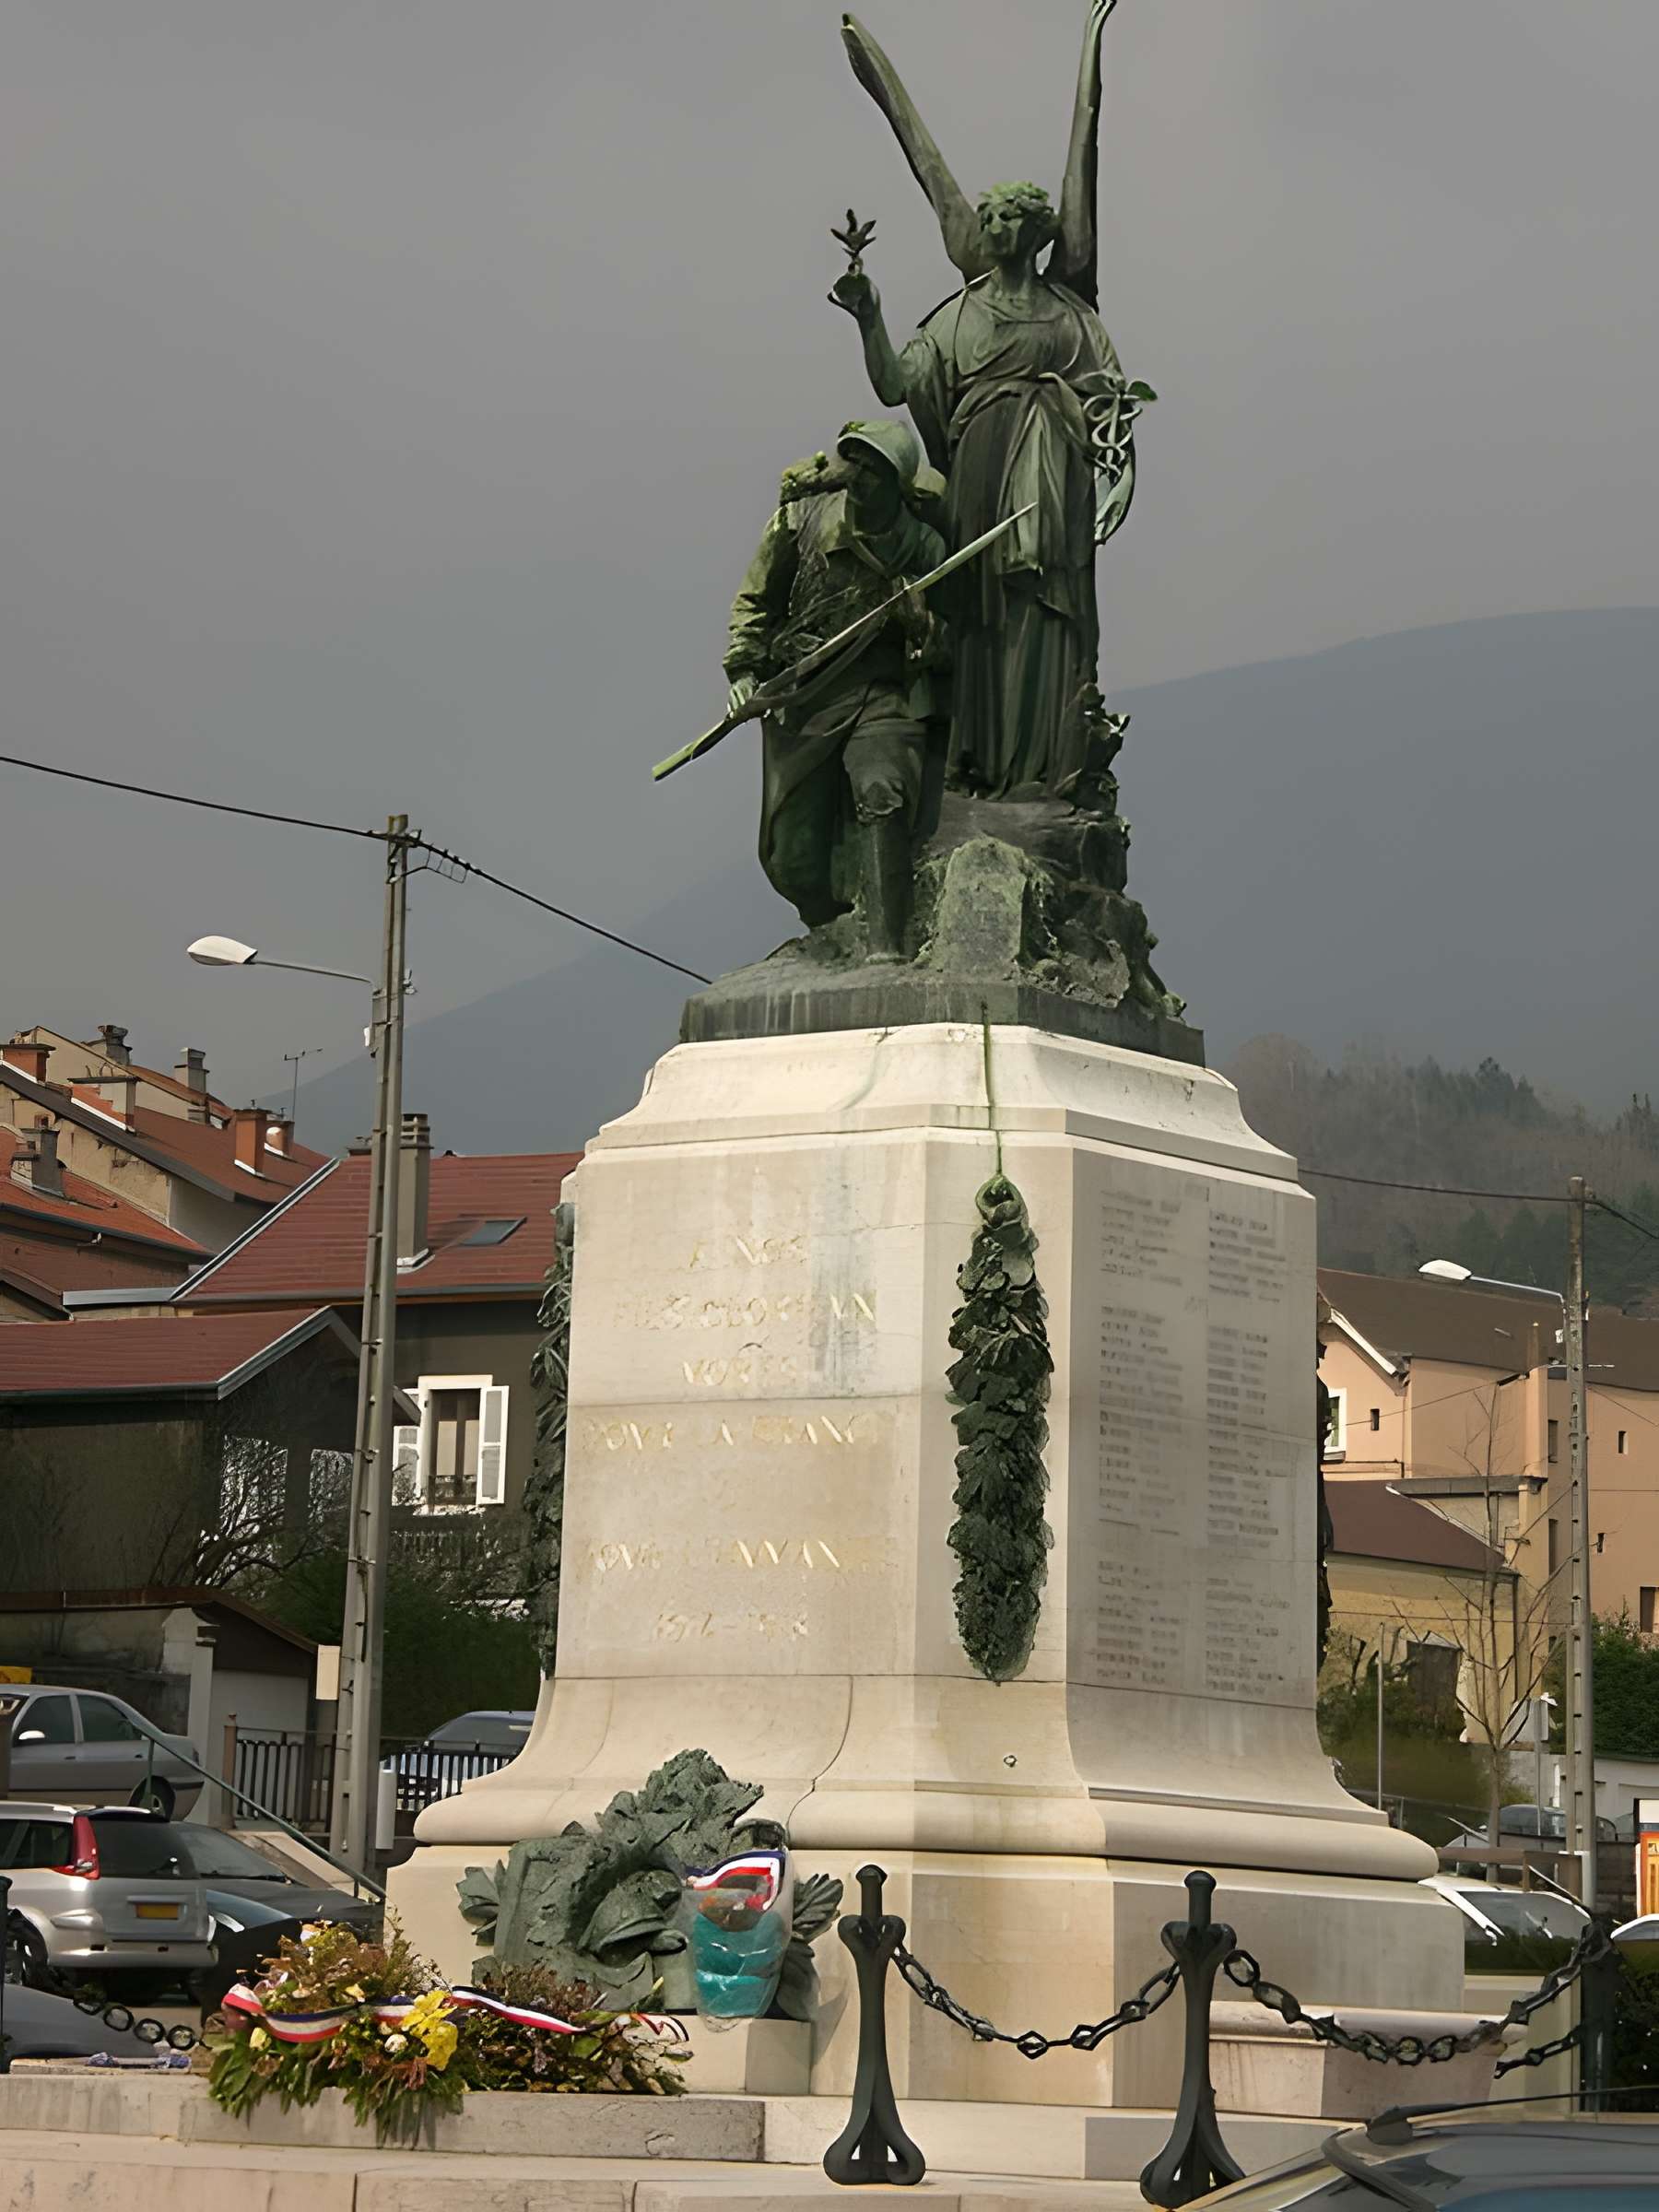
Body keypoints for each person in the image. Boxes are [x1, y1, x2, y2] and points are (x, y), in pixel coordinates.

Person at [831, 4, 1143, 800]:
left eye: (1011, 213)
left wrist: (1117, 477)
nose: (996, 220)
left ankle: (1046, 766)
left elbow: (1112, 408)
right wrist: (870, 314)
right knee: (979, 615)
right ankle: (979, 764)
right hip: (977, 472)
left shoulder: (1072, 319)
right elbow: (897, 386)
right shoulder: (957, 316)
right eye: (991, 211)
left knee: (1042, 614)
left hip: (1053, 482)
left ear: (1036, 231)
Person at [724, 419, 946, 959]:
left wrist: (922, 627)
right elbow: (756, 603)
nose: (862, 480)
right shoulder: (799, 523)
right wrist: (743, 673)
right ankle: (832, 935)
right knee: (791, 858)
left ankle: (885, 948)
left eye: (876, 470)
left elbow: (944, 648)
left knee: (881, 792)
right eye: (856, 466)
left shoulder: (923, 546)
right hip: (805, 700)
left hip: (881, 693)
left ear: (899, 483)